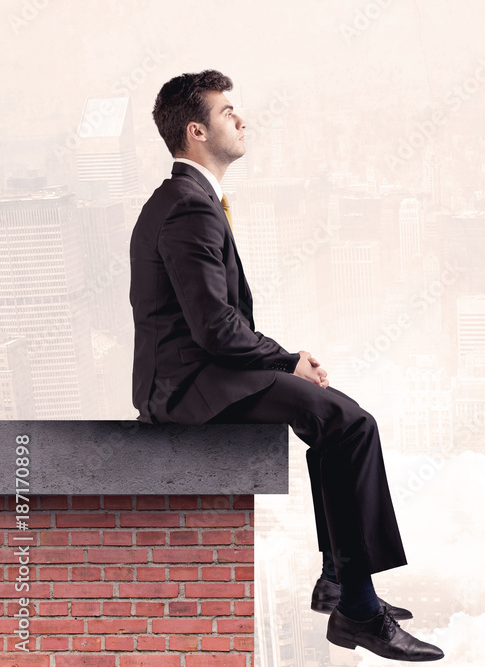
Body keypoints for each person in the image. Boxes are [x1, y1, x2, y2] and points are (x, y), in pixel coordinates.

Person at [129, 69, 443, 662]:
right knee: (349, 422)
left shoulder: (186, 198)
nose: (241, 120)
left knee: (337, 419)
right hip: (190, 387)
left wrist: (284, 362)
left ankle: (340, 580)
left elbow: (217, 325)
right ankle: (358, 608)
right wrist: (290, 360)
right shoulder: (188, 209)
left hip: (200, 374)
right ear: (196, 131)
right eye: (227, 113)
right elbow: (215, 329)